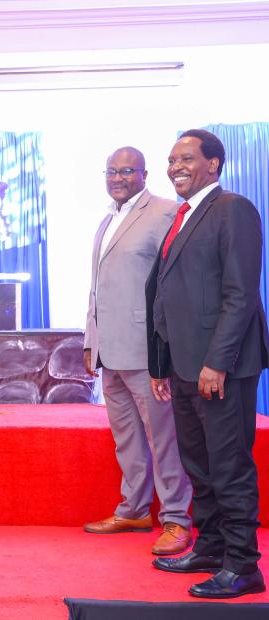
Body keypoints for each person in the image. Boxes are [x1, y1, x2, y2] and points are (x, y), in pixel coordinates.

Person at [147, 129, 269, 598]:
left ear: (214, 164)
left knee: (228, 464)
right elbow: (165, 298)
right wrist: (162, 364)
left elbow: (240, 294)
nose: (175, 166)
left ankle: (243, 566)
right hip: (182, 367)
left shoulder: (232, 209)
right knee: (198, 464)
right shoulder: (184, 217)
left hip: (221, 368)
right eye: (171, 159)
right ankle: (211, 547)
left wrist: (217, 362)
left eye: (186, 158)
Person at [83, 147, 192, 555]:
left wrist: (164, 348)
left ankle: (178, 519)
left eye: (127, 170)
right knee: (126, 439)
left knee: (164, 439)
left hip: (147, 351)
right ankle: (133, 510)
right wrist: (90, 340)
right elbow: (97, 287)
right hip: (108, 351)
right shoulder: (107, 219)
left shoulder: (165, 211)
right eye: (111, 170)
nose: (117, 177)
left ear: (144, 174)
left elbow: (173, 283)